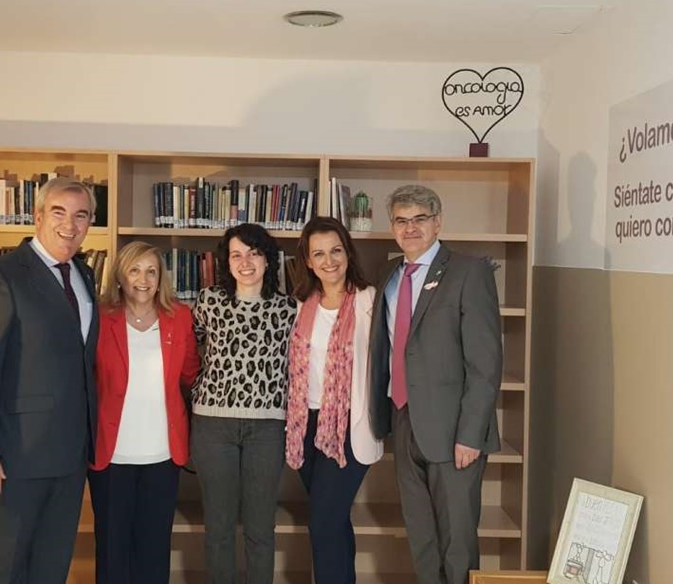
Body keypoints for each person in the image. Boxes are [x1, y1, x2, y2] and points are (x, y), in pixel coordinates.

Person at [0, 177, 100, 584]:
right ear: (37, 216)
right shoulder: (0, 277)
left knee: (51, 567)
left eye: (80, 215)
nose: (69, 225)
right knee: (6, 567)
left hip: (71, 455)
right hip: (17, 455)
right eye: (58, 213)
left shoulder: (84, 276)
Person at [368, 184, 503, 584]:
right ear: (392, 226)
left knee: (457, 542)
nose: (410, 228)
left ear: (438, 222)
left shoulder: (468, 272)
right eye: (401, 220)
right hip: (403, 420)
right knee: (421, 536)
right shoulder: (389, 274)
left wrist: (471, 435)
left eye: (419, 219)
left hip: (454, 431)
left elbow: (486, 363)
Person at [190, 223, 298, 584]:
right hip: (212, 425)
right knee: (218, 525)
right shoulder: (209, 301)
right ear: (227, 261)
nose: (245, 262)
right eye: (236, 254)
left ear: (268, 260)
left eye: (253, 253)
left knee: (260, 526)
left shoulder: (289, 309)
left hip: (267, 427)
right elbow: (190, 353)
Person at [89, 241, 200, 584]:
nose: (143, 279)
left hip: (162, 454)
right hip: (112, 452)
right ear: (120, 276)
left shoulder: (179, 317)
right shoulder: (101, 317)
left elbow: (190, 373)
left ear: (161, 278)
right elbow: (87, 376)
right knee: (112, 548)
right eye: (135, 270)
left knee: (154, 549)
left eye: (151, 271)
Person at [285, 216, 383, 584]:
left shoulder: (369, 302)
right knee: (335, 521)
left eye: (336, 250)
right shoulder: (300, 305)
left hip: (347, 425)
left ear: (348, 252)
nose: (329, 261)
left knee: (323, 522)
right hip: (305, 425)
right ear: (308, 261)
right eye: (319, 254)